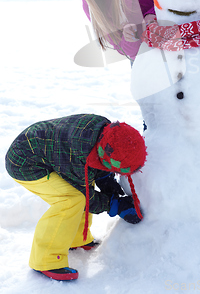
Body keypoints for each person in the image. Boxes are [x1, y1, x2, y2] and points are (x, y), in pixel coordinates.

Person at [5, 114, 147, 281]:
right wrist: (114, 205)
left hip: (48, 152)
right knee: (72, 199)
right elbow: (86, 197)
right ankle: (46, 260)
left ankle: (76, 237)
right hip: (24, 162)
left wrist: (106, 180)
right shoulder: (76, 155)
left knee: (82, 186)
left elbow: (94, 165)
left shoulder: (107, 134)